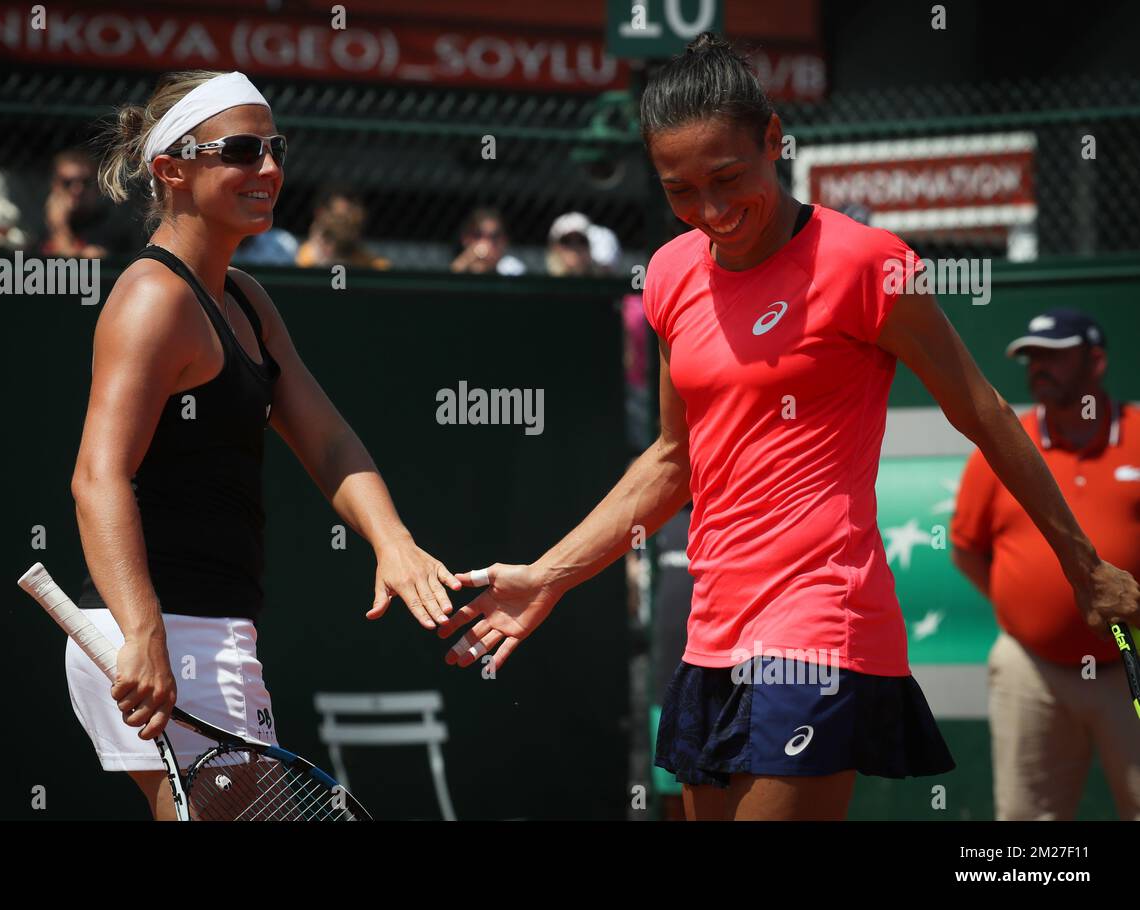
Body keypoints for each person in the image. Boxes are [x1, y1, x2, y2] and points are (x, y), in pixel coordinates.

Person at [437, 33, 1140, 821]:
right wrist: (548, 574)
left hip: (820, 617)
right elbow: (675, 459)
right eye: (680, 189)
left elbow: (983, 410)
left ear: (775, 139)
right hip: (712, 625)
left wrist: (1083, 565)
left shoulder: (870, 265)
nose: (710, 211)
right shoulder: (670, 273)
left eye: (729, 178)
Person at [71, 70, 460, 820]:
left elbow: (328, 440)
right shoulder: (154, 301)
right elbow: (97, 478)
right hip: (164, 629)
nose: (270, 169)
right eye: (242, 151)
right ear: (171, 170)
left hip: (204, 630)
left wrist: (394, 542)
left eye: (274, 147)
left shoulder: (246, 297)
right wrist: (145, 629)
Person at [951, 309, 1140, 820]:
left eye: (1055, 356)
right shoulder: (1003, 446)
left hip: (1129, 664)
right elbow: (966, 547)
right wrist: (1024, 608)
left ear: (1095, 361)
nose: (1039, 367)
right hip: (1030, 669)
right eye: (1033, 357)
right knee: (1026, 825)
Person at [40, 148, 143, 257]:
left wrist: (60, 228)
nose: (77, 189)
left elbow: (80, 269)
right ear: (55, 186)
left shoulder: (111, 228)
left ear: (97, 187)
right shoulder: (41, 228)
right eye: (67, 183)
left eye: (86, 182)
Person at [295, 183, 389, 269]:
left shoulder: (374, 265)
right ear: (320, 214)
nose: (352, 222)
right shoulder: (299, 259)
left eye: (355, 216)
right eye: (342, 218)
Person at [450, 207, 525, 275]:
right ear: (465, 238)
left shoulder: (511, 268)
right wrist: (466, 260)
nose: (485, 243)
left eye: (494, 237)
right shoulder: (454, 266)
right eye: (478, 235)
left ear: (504, 240)